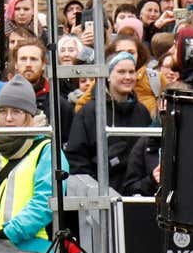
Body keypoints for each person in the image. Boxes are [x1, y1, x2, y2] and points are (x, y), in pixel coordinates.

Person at [0, 77, 62, 253]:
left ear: (29, 115)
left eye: (16, 112)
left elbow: (45, 201)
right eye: (3, 111)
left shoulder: (47, 149)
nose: (8, 118)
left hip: (33, 249)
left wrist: (8, 233)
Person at [65, 51, 156, 196]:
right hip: (102, 199)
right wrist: (95, 191)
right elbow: (77, 159)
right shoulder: (90, 112)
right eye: (121, 72)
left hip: (137, 195)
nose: (128, 77)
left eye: (131, 72)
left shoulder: (142, 112)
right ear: (108, 75)